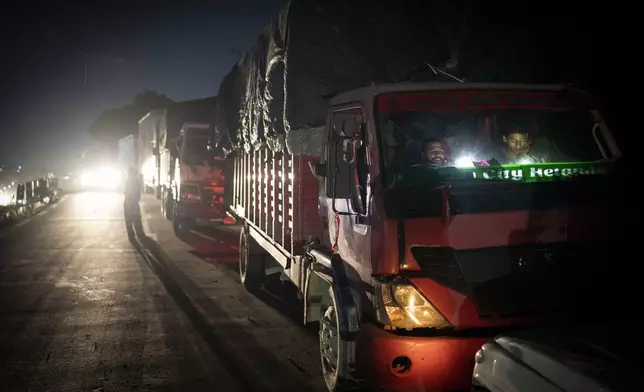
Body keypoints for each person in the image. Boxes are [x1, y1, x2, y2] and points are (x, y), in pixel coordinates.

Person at [124, 167, 144, 240]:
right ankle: (138, 234)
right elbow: (137, 194)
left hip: (129, 203)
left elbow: (127, 193)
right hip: (133, 203)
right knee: (136, 219)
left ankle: (132, 235)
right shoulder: (135, 181)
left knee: (130, 220)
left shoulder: (129, 181)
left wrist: (130, 202)